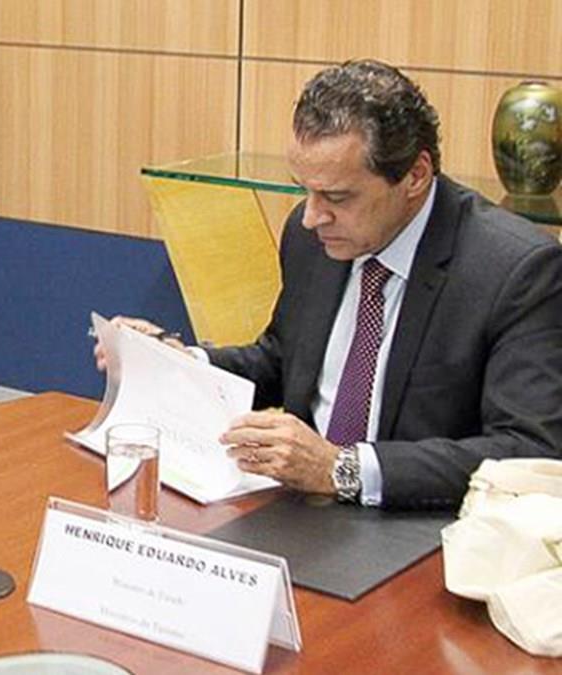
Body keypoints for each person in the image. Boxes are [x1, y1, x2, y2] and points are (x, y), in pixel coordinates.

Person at [97, 59, 562, 509]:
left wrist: (344, 468)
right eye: (305, 189)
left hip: (421, 523)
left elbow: (531, 452)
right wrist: (179, 362)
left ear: (415, 176)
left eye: (337, 197)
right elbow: (282, 361)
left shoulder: (515, 270)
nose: (312, 216)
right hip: (301, 510)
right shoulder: (312, 237)